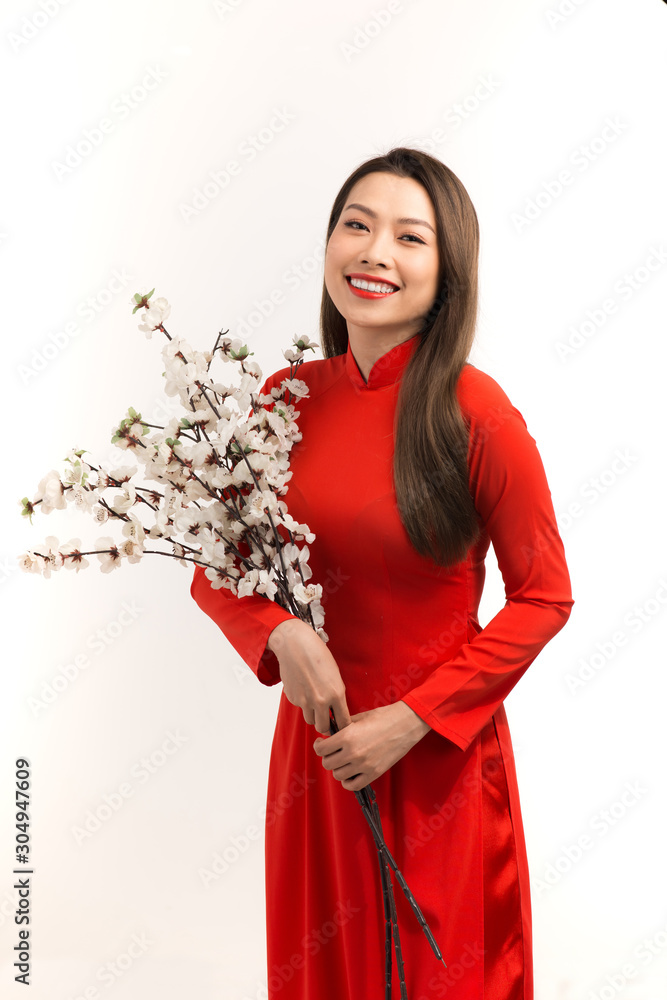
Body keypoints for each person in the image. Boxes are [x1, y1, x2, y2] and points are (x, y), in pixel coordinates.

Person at [190, 146, 574, 1000]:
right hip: (317, 758)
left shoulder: (476, 412)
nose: (374, 253)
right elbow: (219, 568)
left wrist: (415, 717)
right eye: (355, 226)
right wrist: (280, 631)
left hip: (436, 758)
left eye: (410, 237)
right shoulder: (284, 400)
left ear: (448, 273)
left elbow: (545, 594)